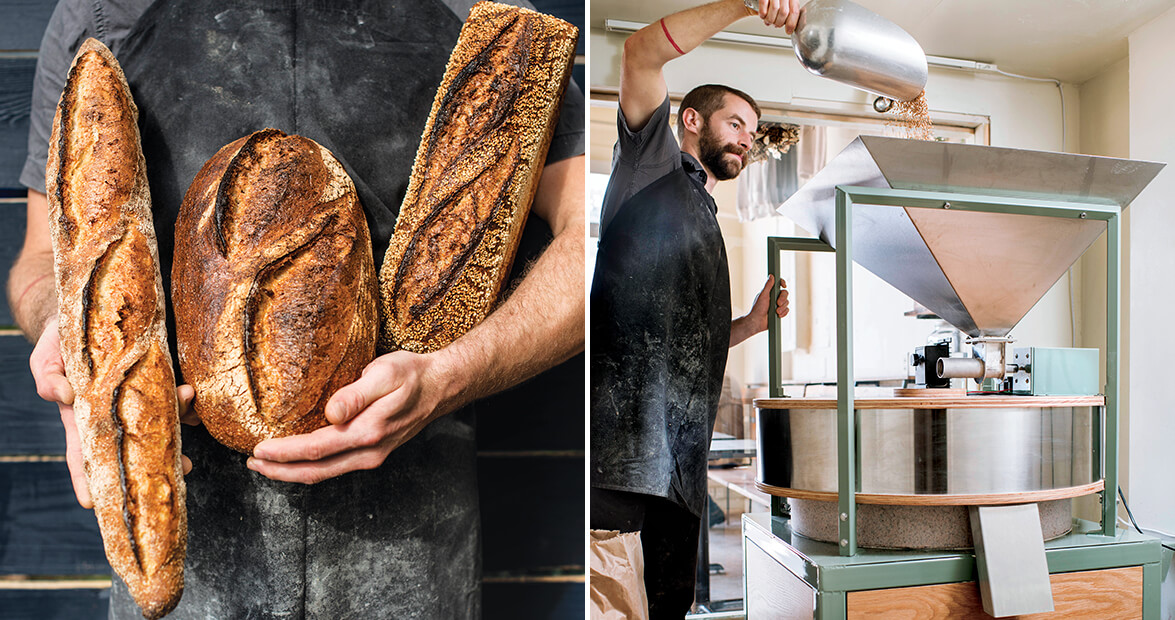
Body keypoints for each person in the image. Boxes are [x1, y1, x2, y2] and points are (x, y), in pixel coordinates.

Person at [8, 0, 584, 617]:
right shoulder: (101, 11)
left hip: (409, 556)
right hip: (182, 542)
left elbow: (587, 242)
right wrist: (67, 335)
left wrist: (454, 375)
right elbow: (41, 260)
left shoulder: (485, 15)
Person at [590, 0, 795, 616]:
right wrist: (744, 2)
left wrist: (751, 326)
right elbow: (639, 52)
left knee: (669, 608)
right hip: (618, 464)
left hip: (680, 466)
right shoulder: (649, 167)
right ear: (691, 121)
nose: (746, 140)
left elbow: (682, 339)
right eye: (735, 123)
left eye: (752, 134)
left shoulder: (707, 214)